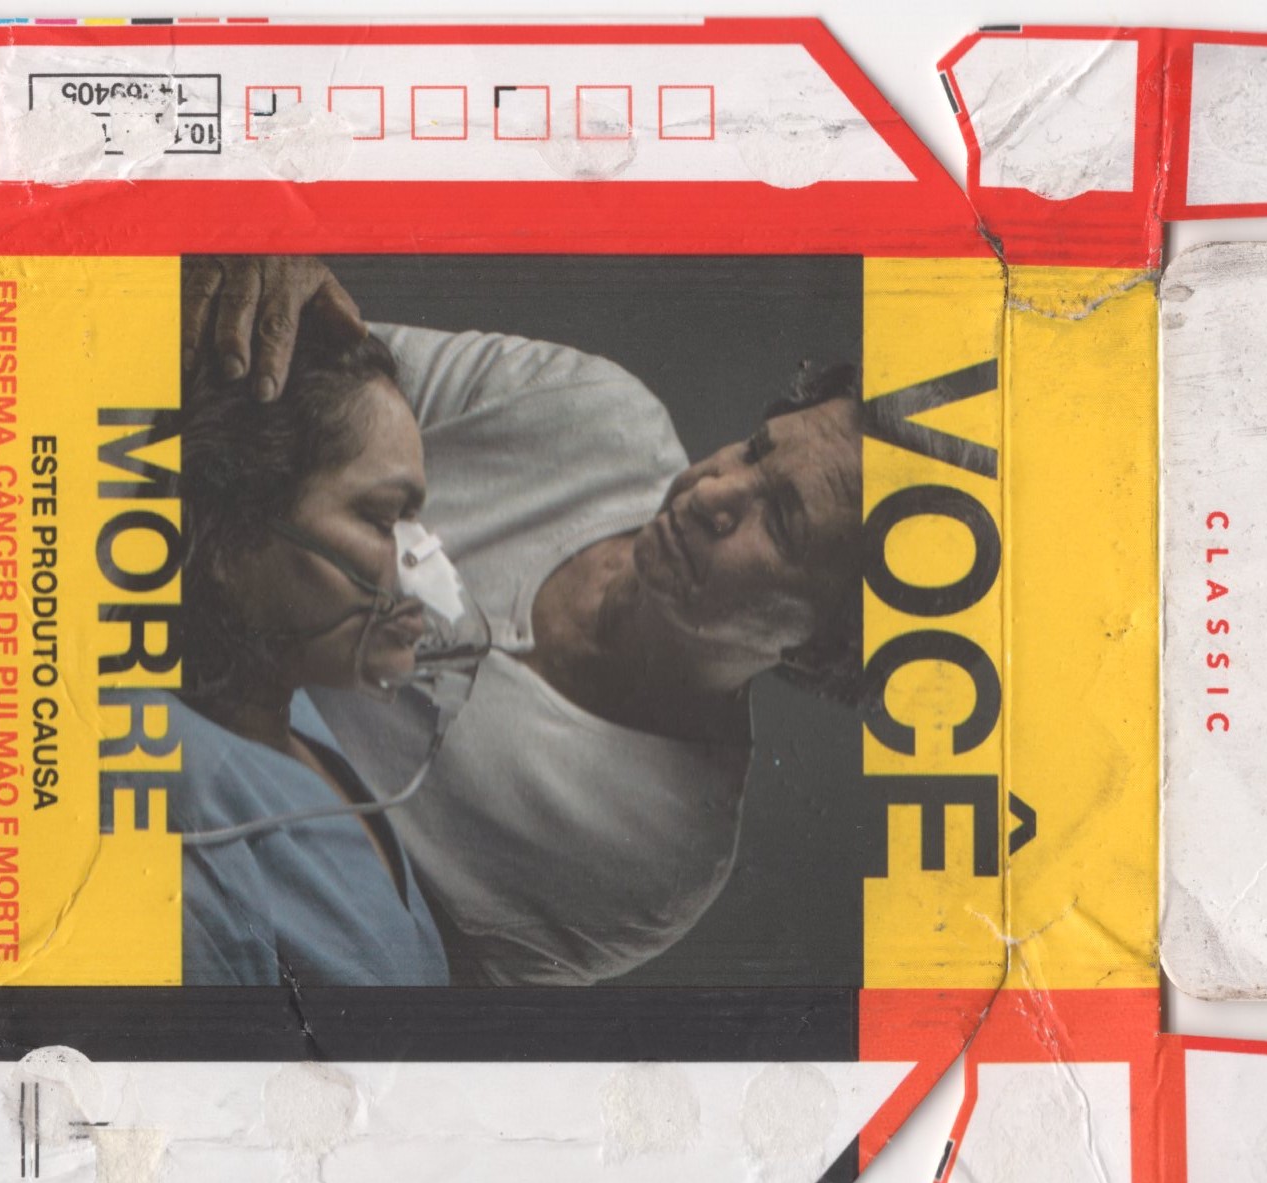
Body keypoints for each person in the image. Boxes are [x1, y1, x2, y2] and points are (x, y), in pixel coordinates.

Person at [183, 255, 869, 986]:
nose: (713, 491)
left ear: (817, 650)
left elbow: (379, 981)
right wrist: (252, 289)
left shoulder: (659, 859)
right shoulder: (589, 410)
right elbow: (278, 371)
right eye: (755, 449)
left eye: (781, 521)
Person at [167, 299, 452, 987]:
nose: (426, 567)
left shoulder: (285, 706)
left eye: (414, 520)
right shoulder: (189, 829)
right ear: (232, 535)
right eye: (382, 518)